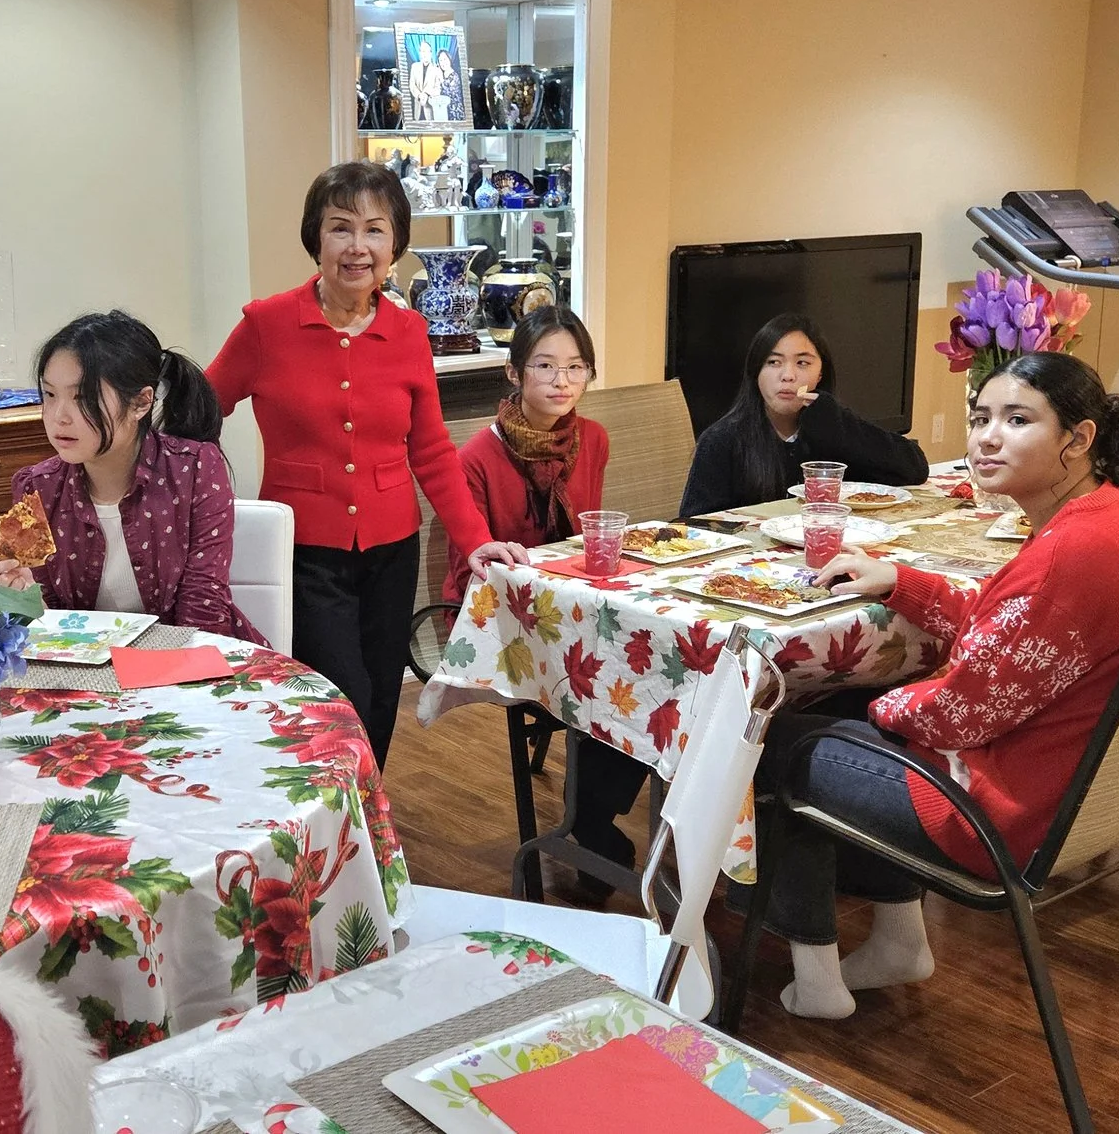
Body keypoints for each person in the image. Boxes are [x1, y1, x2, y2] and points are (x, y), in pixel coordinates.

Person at [758, 352, 1119, 1019]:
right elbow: (1007, 618)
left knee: (769, 736)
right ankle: (898, 941)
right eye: (982, 418)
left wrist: (877, 704)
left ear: (1079, 438)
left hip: (1005, 810)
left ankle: (815, 978)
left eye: (1017, 420)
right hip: (1087, 792)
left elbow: (958, 712)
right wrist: (901, 582)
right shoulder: (1118, 518)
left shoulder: (1070, 551)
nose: (987, 437)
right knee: (850, 711)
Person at [206, 160, 528, 765]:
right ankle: (336, 806)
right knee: (340, 694)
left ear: (395, 243)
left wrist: (475, 540)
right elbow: (197, 416)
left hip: (392, 547)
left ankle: (363, 809)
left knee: (381, 696)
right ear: (316, 238)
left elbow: (430, 451)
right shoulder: (266, 325)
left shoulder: (409, 331)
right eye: (341, 228)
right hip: (303, 550)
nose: (358, 247)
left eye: (375, 230)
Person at [443, 306, 641, 884]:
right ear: (514, 373)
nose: (562, 381)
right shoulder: (476, 457)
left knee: (646, 662)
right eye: (546, 366)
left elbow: (584, 540)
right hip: (505, 619)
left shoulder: (592, 439)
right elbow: (470, 574)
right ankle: (594, 827)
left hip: (577, 605)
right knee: (610, 673)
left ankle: (593, 818)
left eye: (576, 367)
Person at [0, 311, 263, 643]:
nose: (59, 416)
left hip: (194, 655)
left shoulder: (196, 468)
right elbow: (54, 621)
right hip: (91, 661)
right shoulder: (35, 486)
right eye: (49, 394)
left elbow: (202, 611)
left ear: (141, 403)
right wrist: (25, 602)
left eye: (83, 398)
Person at [679, 314, 929, 518]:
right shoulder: (722, 440)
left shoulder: (833, 425)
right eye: (773, 362)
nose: (788, 376)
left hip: (831, 549)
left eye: (802, 363)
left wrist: (841, 427)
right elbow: (694, 525)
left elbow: (914, 469)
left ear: (820, 374)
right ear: (756, 372)